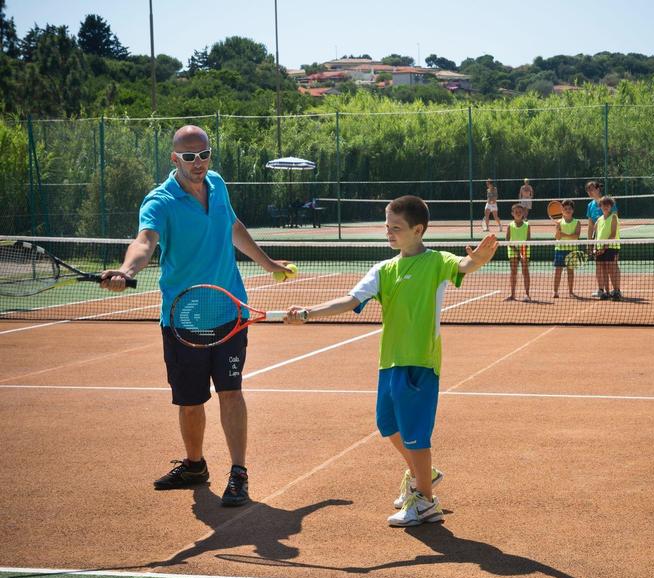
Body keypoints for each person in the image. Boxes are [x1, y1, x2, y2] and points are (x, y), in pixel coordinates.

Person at [100, 125, 292, 507]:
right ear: (174, 159)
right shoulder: (160, 201)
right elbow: (144, 242)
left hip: (229, 311)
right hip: (182, 318)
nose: (198, 162)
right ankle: (194, 465)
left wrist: (268, 263)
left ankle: (238, 473)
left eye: (203, 154)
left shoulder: (218, 184)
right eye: (189, 156)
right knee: (189, 401)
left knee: (231, 392)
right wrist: (127, 271)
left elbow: (233, 228)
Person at [285, 195, 498, 527]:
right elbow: (350, 300)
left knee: (415, 433)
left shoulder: (437, 261)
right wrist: (308, 313)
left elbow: (464, 265)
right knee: (388, 425)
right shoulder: (383, 270)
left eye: (396, 228)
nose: (389, 233)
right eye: (387, 227)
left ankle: (426, 502)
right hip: (390, 362)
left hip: (420, 362)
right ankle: (422, 473)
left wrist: (479, 260)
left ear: (418, 229)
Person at [585, 181, 618, 298]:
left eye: (592, 189)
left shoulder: (609, 202)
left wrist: (607, 243)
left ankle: (616, 290)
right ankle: (602, 290)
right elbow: (590, 226)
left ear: (598, 189)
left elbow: (614, 221)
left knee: (612, 266)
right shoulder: (590, 206)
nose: (590, 191)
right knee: (599, 266)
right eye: (588, 190)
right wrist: (590, 243)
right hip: (598, 242)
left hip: (611, 243)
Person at [593, 196, 622, 300]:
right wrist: (595, 248)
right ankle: (606, 292)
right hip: (600, 248)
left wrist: (604, 247)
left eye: (608, 205)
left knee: (611, 268)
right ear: (600, 206)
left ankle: (616, 291)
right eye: (603, 205)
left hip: (611, 247)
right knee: (603, 269)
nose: (605, 206)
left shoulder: (613, 217)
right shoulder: (598, 220)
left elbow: (613, 234)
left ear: (611, 206)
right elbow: (596, 236)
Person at [553, 199, 581, 298]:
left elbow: (576, 236)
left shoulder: (577, 222)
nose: (568, 210)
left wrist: (563, 234)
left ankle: (570, 292)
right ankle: (555, 292)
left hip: (572, 250)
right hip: (560, 249)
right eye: (565, 209)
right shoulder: (558, 222)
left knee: (570, 271)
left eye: (569, 208)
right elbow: (557, 237)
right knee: (558, 271)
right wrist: (558, 231)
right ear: (562, 210)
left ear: (573, 210)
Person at [505, 203, 532, 302]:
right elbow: (507, 240)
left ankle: (527, 294)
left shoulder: (527, 225)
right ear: (512, 213)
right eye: (516, 212)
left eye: (520, 212)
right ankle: (512, 295)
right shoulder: (510, 225)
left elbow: (528, 240)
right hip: (512, 251)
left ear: (523, 213)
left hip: (525, 251)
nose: (518, 213)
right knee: (513, 272)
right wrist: (516, 251)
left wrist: (522, 251)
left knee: (525, 272)